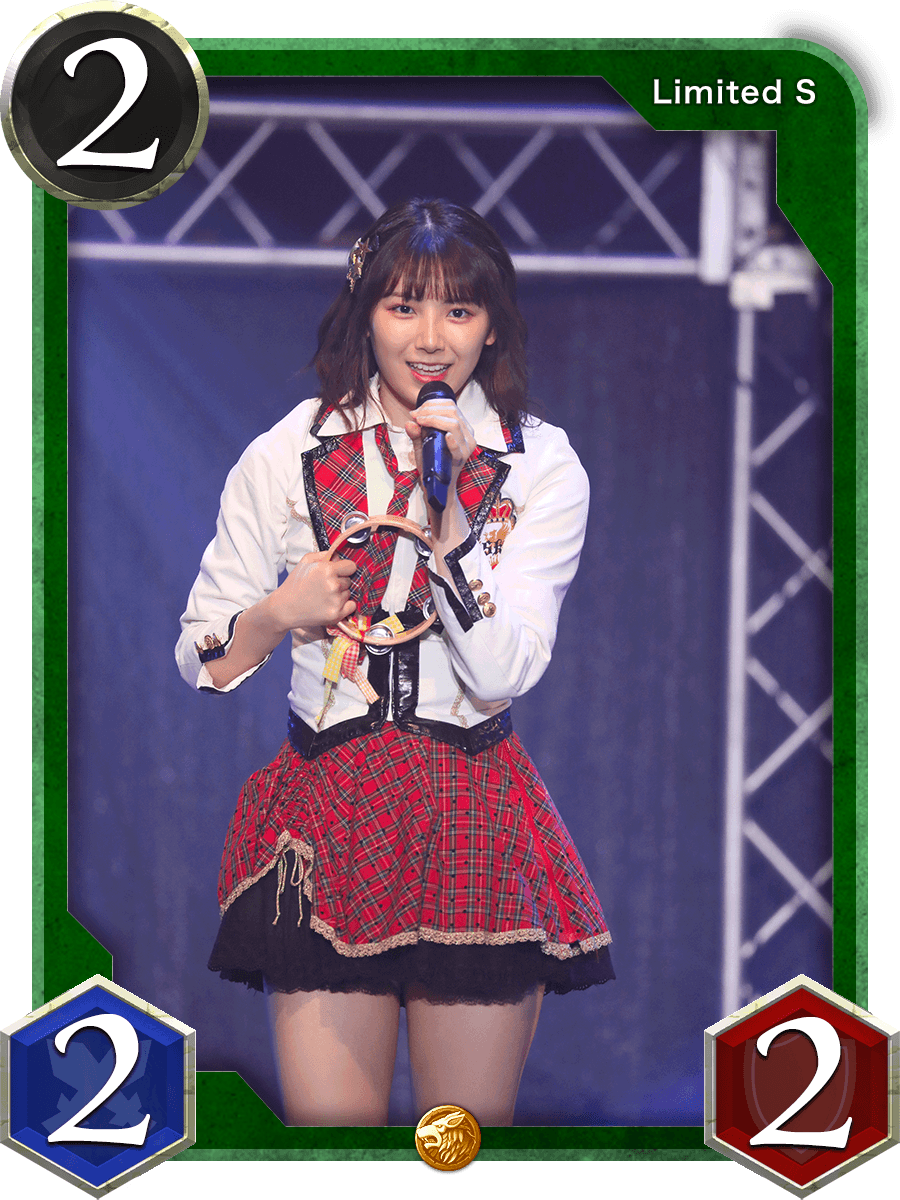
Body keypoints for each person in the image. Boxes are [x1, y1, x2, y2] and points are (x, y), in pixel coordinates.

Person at [176, 198, 614, 1128]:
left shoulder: (539, 465)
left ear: (491, 325)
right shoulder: (289, 452)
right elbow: (202, 654)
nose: (430, 338)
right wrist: (280, 612)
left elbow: (502, 670)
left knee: (457, 1142)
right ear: (365, 312)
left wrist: (448, 527)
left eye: (459, 309)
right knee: (333, 1139)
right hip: (329, 812)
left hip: (473, 811)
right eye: (404, 306)